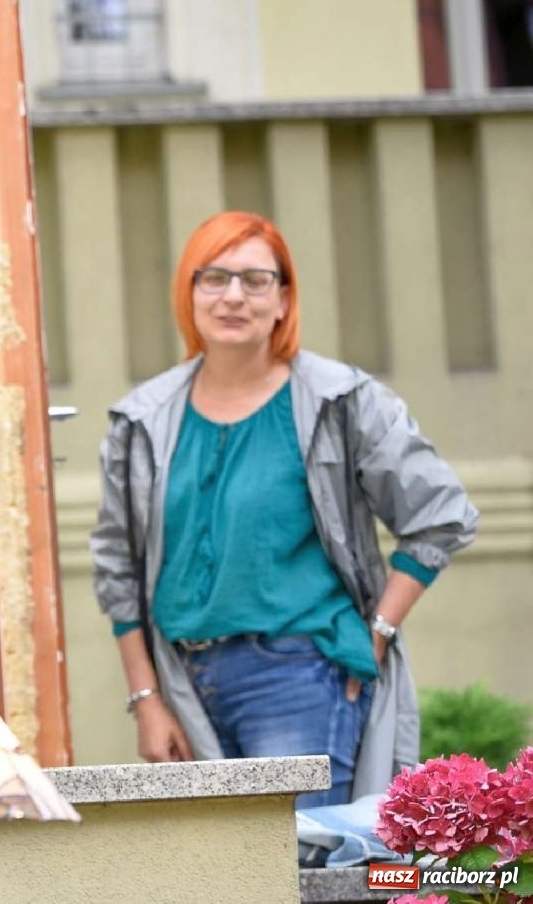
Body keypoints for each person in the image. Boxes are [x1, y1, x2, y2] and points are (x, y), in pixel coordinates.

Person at [89, 211, 476, 809]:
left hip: (301, 677)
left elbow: (441, 514)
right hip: (183, 683)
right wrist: (146, 699)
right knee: (226, 883)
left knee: (299, 874)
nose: (233, 296)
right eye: (213, 278)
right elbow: (117, 569)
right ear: (188, 294)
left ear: (284, 297)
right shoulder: (142, 421)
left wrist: (376, 633)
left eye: (255, 280)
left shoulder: (340, 401)